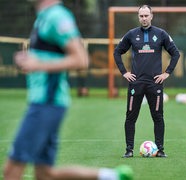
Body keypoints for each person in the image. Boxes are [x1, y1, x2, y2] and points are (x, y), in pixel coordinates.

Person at [2, 0, 133, 179]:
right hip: (46, 103)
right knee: (45, 174)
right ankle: (110, 176)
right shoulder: (44, 17)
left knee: (12, 170)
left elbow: (81, 60)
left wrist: (38, 64)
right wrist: (30, 60)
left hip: (46, 104)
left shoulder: (57, 16)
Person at [114, 5, 180, 158]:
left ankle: (160, 150)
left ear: (152, 16)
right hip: (136, 83)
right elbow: (117, 52)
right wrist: (124, 72)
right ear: (138, 17)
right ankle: (129, 150)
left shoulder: (161, 34)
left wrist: (167, 73)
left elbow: (175, 53)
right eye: (141, 16)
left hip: (154, 84)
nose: (143, 18)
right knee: (130, 117)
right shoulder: (131, 34)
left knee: (158, 117)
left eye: (146, 15)